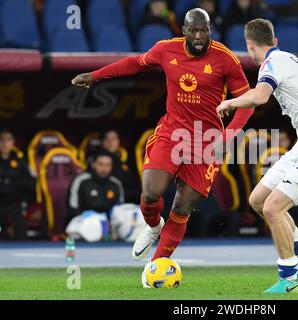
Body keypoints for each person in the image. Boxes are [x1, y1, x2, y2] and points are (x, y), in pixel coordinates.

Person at [71, 8, 254, 278]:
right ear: (184, 30)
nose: (199, 36)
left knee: (182, 206)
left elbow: (246, 103)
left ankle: (154, 268)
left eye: (204, 30)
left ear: (210, 30)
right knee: (150, 194)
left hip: (206, 141)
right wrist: (96, 75)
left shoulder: (226, 59)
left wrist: (228, 135)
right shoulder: (166, 50)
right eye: (193, 30)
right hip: (172, 131)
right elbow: (135, 63)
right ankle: (153, 226)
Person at [216, 18, 298, 293]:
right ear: (274, 41)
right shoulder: (287, 59)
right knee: (258, 200)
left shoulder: (273, 64)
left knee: (274, 208)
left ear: (249, 46)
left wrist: (229, 102)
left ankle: (288, 279)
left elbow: (260, 97)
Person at [67, 150, 124, 222]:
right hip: (83, 223)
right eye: (100, 164)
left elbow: (120, 210)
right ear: (93, 164)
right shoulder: (81, 180)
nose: (104, 168)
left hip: (109, 224)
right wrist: (87, 216)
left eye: (108, 165)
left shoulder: (116, 183)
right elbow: (72, 209)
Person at [0, 129, 35, 240]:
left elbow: (31, 184)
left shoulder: (21, 161)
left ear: (13, 142)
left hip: (15, 204)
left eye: (8, 140)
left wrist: (12, 180)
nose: (5, 144)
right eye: (1, 140)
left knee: (20, 230)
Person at [98, 129, 139, 204]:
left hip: (131, 202)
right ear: (102, 142)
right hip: (110, 201)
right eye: (107, 139)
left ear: (118, 141)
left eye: (114, 139)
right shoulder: (96, 160)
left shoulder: (125, 160)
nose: (110, 142)